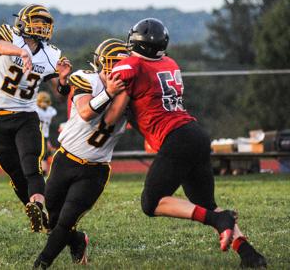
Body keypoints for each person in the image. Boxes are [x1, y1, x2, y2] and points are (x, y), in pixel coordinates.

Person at [106, 18, 267, 269]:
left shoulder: (131, 65)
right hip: (194, 133)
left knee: (151, 203)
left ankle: (219, 220)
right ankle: (250, 255)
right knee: (206, 205)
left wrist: (105, 89)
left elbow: (114, 107)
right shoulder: (169, 63)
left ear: (136, 44)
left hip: (177, 138)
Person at [33, 39, 129, 269]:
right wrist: (108, 92)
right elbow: (86, 112)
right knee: (54, 218)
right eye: (111, 64)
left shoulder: (133, 93)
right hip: (65, 159)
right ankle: (78, 241)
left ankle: (41, 263)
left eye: (121, 65)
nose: (115, 71)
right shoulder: (86, 78)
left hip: (95, 169)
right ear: (99, 64)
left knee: (66, 221)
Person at [0, 4, 72, 234]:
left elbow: (60, 95)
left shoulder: (51, 53)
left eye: (45, 23)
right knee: (15, 174)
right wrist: (20, 52)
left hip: (25, 116)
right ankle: (37, 212)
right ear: (22, 22)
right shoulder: (10, 36)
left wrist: (63, 80)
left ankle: (37, 204)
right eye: (37, 21)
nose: (41, 27)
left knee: (32, 167)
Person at [36, 91, 58, 175]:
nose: (44, 103)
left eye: (45, 101)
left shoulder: (37, 110)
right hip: (41, 135)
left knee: (43, 155)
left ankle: (42, 171)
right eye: (42, 101)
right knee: (42, 155)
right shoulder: (51, 111)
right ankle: (41, 171)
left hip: (41, 135)